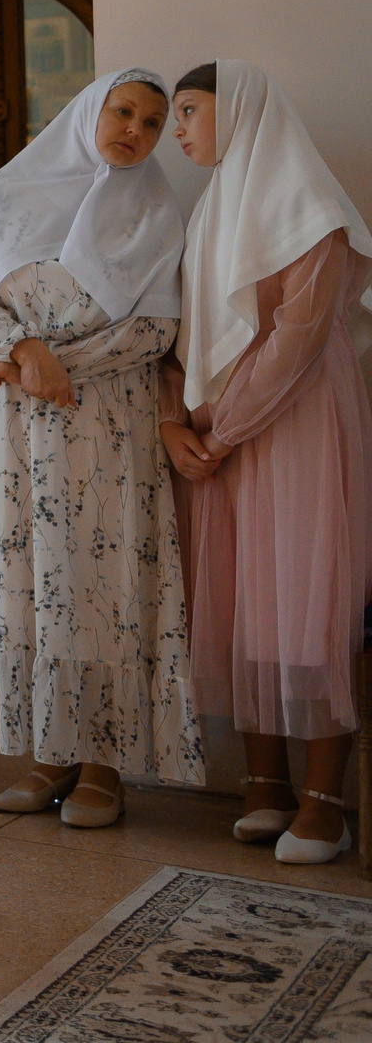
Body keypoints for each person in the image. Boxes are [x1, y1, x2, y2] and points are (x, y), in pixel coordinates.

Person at [0, 69, 198, 828]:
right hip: (9, 428)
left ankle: (107, 764)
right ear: (90, 112)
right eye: (124, 112)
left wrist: (46, 362)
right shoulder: (11, 196)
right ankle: (50, 754)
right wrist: (19, 348)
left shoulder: (153, 213)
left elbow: (154, 331)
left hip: (101, 425)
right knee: (28, 578)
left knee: (96, 579)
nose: (135, 131)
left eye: (152, 123)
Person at [161, 61, 372, 865]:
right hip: (225, 434)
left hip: (293, 427)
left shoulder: (312, 211)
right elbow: (182, 335)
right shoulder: (212, 210)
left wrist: (221, 428)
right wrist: (178, 419)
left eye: (190, 111)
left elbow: (297, 340)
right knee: (243, 595)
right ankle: (264, 783)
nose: (179, 130)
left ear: (241, 111)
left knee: (304, 599)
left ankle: (325, 803)